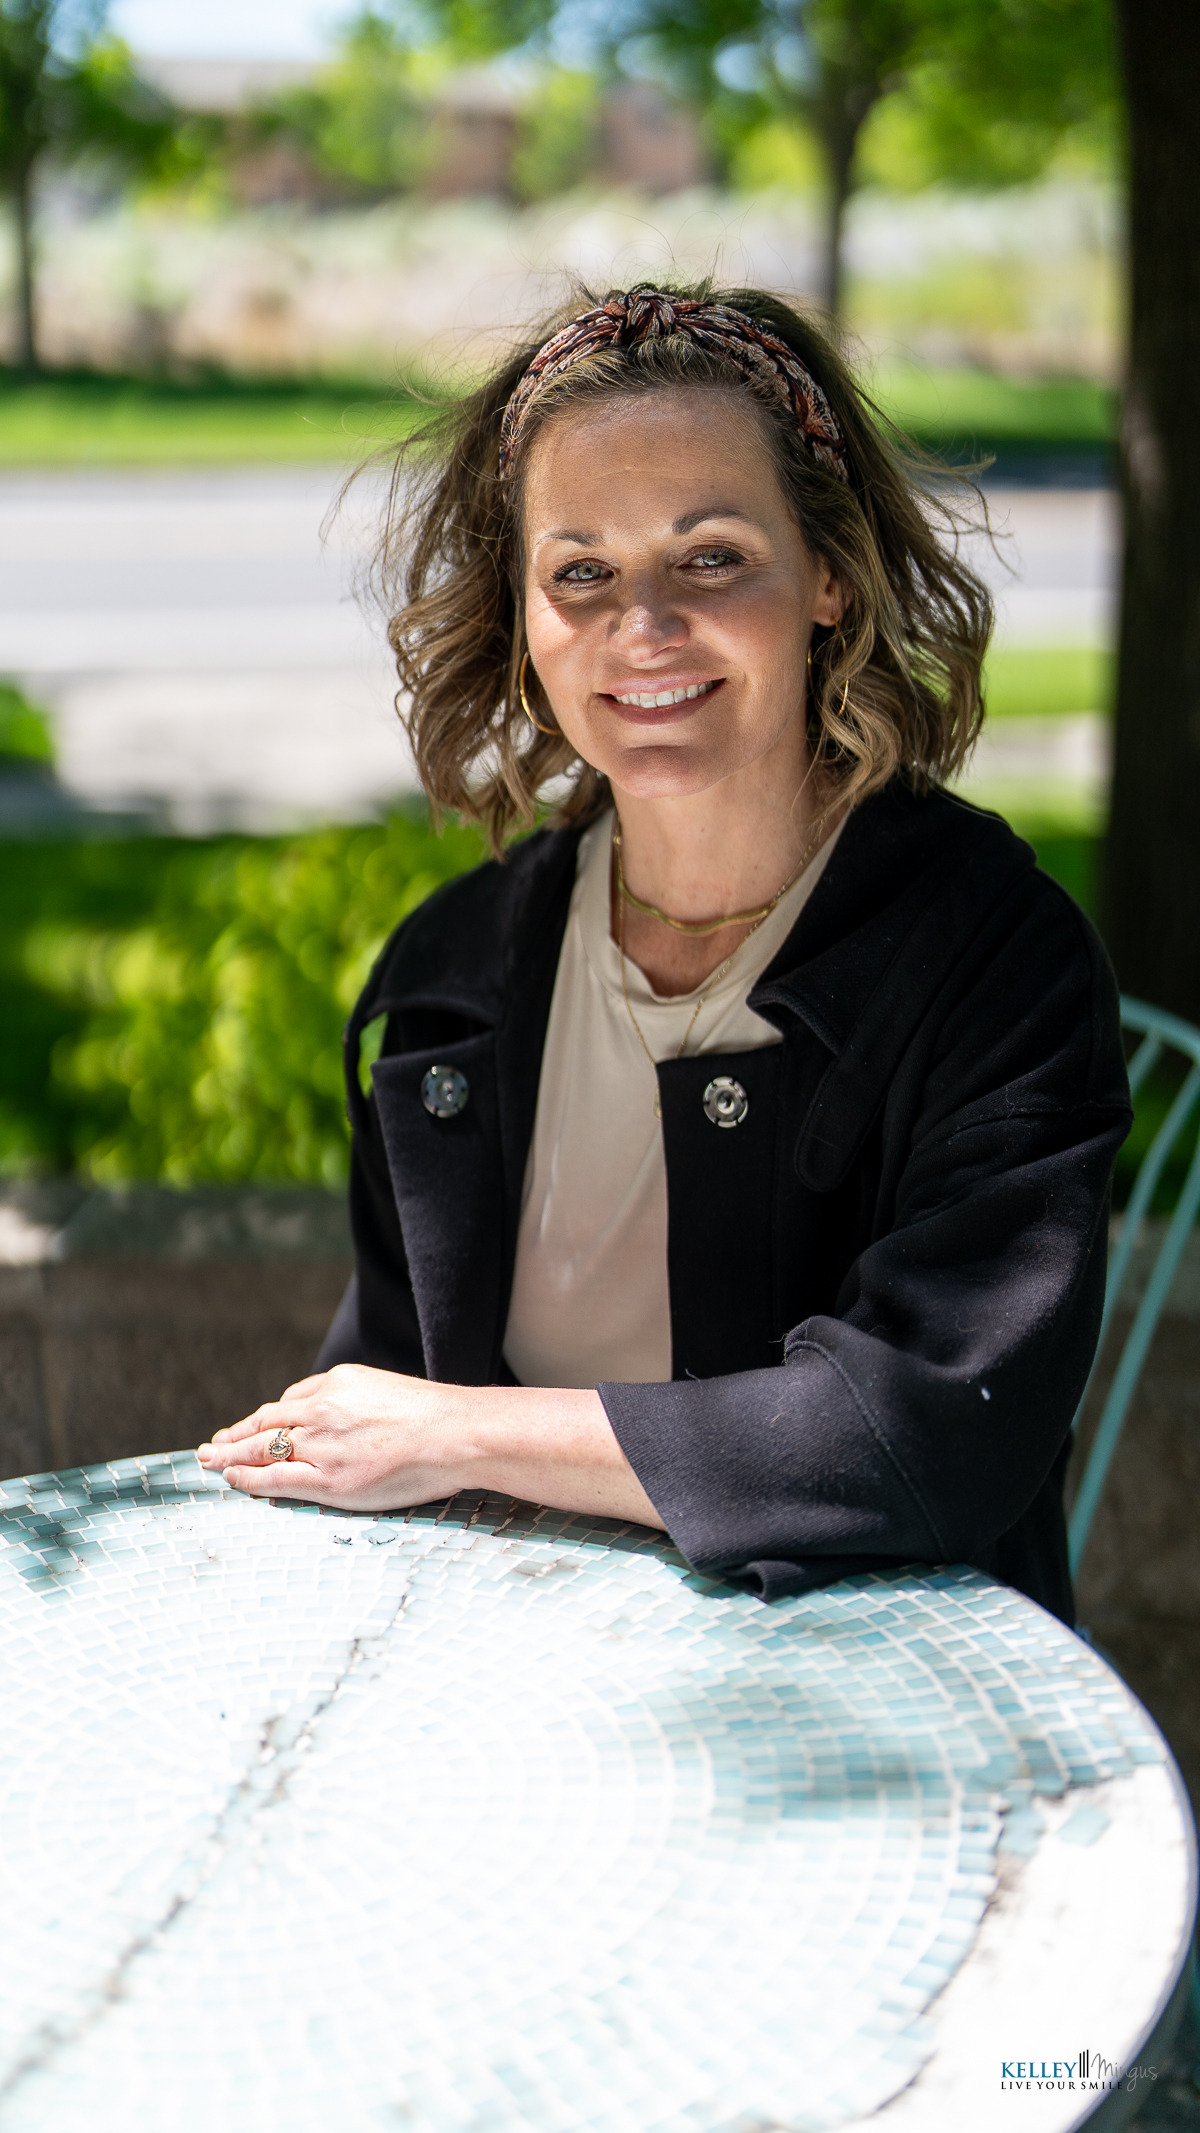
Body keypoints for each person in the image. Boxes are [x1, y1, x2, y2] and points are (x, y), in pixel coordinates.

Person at [198, 283, 1130, 1626]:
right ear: (523, 616)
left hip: (876, 1712)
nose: (641, 628)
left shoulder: (994, 956)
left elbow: (924, 1432)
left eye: (708, 557)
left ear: (830, 573)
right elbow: (378, 1407)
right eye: (579, 571)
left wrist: (464, 1433)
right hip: (507, 1678)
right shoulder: (455, 976)